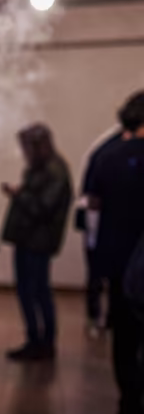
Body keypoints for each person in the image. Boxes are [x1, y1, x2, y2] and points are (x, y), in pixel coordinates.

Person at [89, 91, 144, 414]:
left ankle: (128, 402)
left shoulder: (107, 156)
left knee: (123, 334)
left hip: (118, 261)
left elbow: (93, 207)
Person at [1, 124, 73, 360]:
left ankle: (41, 343)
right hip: (30, 239)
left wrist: (18, 194)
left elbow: (43, 208)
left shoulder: (54, 171)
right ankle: (39, 341)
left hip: (37, 242)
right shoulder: (46, 168)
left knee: (35, 292)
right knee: (33, 292)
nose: (23, 152)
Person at [77, 128, 125, 337]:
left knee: (97, 273)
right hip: (106, 223)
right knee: (111, 276)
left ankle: (97, 316)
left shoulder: (105, 150)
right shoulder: (115, 151)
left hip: (97, 222)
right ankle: (106, 318)